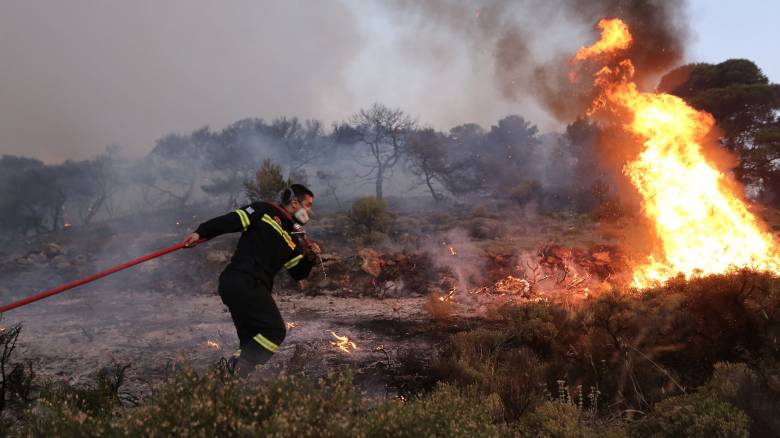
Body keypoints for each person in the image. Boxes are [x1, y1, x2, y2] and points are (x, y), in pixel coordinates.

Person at [183, 184, 320, 377]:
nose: (310, 211)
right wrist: (201, 232)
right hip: (242, 280)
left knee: (250, 342)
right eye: (308, 204)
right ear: (294, 202)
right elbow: (230, 221)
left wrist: (310, 259)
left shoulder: (293, 237)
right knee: (274, 331)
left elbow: (298, 273)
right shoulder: (264, 210)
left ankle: (228, 380)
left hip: (250, 286)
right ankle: (233, 373)